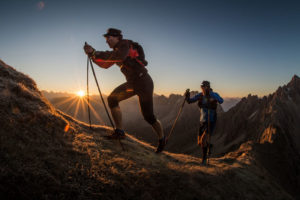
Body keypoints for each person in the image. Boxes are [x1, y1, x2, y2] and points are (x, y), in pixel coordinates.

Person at [84, 28, 167, 153]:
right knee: (112, 98)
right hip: (132, 83)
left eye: (109, 38)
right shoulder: (117, 51)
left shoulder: (124, 44)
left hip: (144, 82)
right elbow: (106, 65)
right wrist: (93, 56)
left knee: (149, 116)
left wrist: (95, 52)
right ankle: (120, 131)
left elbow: (119, 56)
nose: (107, 42)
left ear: (117, 37)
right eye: (106, 40)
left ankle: (162, 139)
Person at [185, 81, 223, 164]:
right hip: (202, 120)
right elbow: (190, 101)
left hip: (211, 120)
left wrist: (212, 97)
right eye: (201, 86)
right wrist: (187, 96)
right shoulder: (200, 95)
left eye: (204, 86)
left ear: (208, 87)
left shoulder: (213, 94)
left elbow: (221, 100)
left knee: (203, 140)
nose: (202, 88)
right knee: (200, 142)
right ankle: (209, 145)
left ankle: (204, 159)